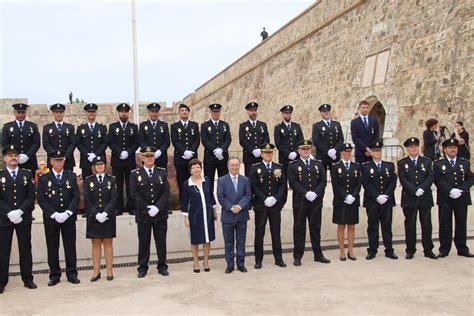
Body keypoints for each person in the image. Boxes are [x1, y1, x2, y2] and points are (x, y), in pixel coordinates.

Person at [37, 150, 81, 286]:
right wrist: (54, 214)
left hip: (68, 217)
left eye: (61, 160)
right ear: (51, 162)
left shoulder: (71, 176)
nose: (59, 162)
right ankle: (54, 274)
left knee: (70, 245)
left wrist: (68, 213)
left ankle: (72, 273)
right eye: (56, 160)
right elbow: (41, 199)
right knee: (52, 246)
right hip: (51, 218)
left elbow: (76, 196)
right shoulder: (44, 178)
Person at [0, 145, 37, 294]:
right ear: (4, 158)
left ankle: (27, 278)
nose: (13, 158)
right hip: (4, 218)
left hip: (23, 218)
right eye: (10, 155)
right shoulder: (0, 175)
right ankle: (2, 281)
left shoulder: (26, 175)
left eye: (15, 155)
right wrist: (9, 213)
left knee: (25, 249)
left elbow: (30, 196)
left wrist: (20, 211)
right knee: (3, 251)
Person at [287, 140, 330, 266]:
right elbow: (292, 182)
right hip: (300, 202)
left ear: (310, 150)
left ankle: (318, 254)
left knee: (315, 228)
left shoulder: (318, 164)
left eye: (308, 149)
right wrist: (306, 193)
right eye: (303, 149)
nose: (306, 151)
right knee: (299, 229)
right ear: (299, 151)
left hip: (315, 202)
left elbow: (323, 181)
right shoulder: (293, 165)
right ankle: (297, 256)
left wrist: (315, 193)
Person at [130, 147, 171, 278]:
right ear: (142, 158)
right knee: (143, 241)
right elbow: (134, 194)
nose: (149, 158)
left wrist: (157, 207)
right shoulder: (135, 174)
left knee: (161, 241)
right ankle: (142, 267)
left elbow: (166, 192)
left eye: (151, 156)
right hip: (143, 214)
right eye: (146, 156)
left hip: (160, 214)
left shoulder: (162, 173)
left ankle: (162, 266)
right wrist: (147, 208)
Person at [398, 137, 437, 259]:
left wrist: (422, 189)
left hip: (424, 197)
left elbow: (430, 176)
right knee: (410, 225)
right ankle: (410, 250)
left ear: (419, 147)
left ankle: (428, 250)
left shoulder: (427, 161)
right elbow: (403, 179)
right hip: (409, 198)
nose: (413, 149)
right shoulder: (402, 163)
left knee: (426, 224)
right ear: (407, 149)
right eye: (411, 147)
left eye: (415, 146)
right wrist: (414, 190)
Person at [249, 143, 287, 269]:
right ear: (261, 154)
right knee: (259, 233)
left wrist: (275, 198)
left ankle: (279, 259)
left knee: (276, 232)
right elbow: (253, 186)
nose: (268, 154)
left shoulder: (278, 167)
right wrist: (264, 198)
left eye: (270, 152)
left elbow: (282, 184)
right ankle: (258, 260)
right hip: (261, 205)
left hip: (275, 206)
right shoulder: (255, 168)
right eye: (265, 152)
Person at [434, 138, 473, 258]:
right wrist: (450, 190)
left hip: (461, 197)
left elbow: (470, 178)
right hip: (446, 198)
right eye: (450, 148)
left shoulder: (464, 163)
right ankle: (444, 249)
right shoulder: (438, 164)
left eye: (455, 147)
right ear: (445, 150)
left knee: (461, 223)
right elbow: (438, 179)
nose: (453, 149)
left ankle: (462, 249)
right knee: (445, 224)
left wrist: (461, 190)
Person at [361, 140, 398, 260]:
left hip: (387, 200)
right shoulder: (366, 166)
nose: (377, 153)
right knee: (372, 226)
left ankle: (389, 250)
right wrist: (377, 196)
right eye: (375, 151)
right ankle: (372, 250)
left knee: (387, 226)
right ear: (370, 152)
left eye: (379, 150)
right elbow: (366, 183)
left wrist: (386, 195)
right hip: (372, 201)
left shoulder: (389, 165)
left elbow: (393, 182)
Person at [84, 156, 118, 281]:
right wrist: (96, 213)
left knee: (108, 243)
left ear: (105, 166)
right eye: (97, 164)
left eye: (102, 164)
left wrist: (105, 213)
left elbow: (114, 198)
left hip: (107, 216)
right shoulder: (88, 180)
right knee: (96, 244)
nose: (99, 166)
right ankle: (96, 272)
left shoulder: (111, 180)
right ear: (93, 167)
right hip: (94, 217)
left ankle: (109, 272)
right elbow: (87, 199)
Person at [217, 157, 252, 274]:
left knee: (241, 241)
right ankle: (230, 264)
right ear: (228, 166)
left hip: (242, 215)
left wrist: (239, 207)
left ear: (240, 166)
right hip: (228, 216)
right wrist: (232, 207)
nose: (234, 167)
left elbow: (248, 195)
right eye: (232, 165)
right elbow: (220, 196)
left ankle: (241, 264)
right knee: (229, 242)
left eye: (236, 165)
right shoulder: (222, 180)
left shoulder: (245, 180)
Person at [181, 159, 216, 273]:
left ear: (201, 169)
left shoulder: (207, 180)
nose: (196, 169)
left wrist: (214, 211)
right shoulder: (187, 184)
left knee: (207, 238)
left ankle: (206, 261)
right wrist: (186, 218)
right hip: (195, 215)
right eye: (194, 167)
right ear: (190, 170)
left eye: (198, 167)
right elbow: (185, 202)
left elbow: (211, 196)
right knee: (195, 240)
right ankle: (195, 262)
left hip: (208, 213)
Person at [330, 143, 361, 261]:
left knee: (352, 225)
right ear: (341, 153)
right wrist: (345, 195)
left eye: (349, 152)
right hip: (340, 200)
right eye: (345, 152)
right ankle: (342, 251)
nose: (347, 154)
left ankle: (351, 251)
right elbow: (335, 184)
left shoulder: (356, 166)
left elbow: (358, 183)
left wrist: (353, 195)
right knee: (341, 225)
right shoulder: (335, 166)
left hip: (353, 200)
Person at [108, 103, 139, 215]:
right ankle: (118, 208)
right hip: (117, 160)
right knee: (117, 185)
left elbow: (136, 143)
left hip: (130, 160)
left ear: (128, 113)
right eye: (121, 111)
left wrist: (128, 152)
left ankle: (132, 207)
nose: (123, 113)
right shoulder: (112, 127)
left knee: (131, 185)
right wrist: (120, 152)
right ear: (118, 113)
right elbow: (110, 142)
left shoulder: (134, 127)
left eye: (125, 111)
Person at [200, 103, 232, 200]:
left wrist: (221, 149)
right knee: (209, 180)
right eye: (214, 111)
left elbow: (228, 139)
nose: (216, 113)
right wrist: (215, 150)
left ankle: (225, 199)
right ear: (210, 112)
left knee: (224, 181)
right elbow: (204, 140)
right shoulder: (205, 125)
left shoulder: (225, 125)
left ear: (220, 112)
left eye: (217, 111)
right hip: (210, 158)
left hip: (223, 157)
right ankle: (210, 201)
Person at [171, 103, 200, 204]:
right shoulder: (174, 126)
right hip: (180, 159)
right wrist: (184, 151)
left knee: (194, 180)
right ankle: (184, 203)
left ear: (188, 112)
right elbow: (174, 141)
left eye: (186, 110)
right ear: (179, 113)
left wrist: (190, 152)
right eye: (182, 110)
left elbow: (197, 140)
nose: (184, 112)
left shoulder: (194, 125)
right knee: (182, 182)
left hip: (192, 159)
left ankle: (194, 201)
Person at [2, 103, 40, 174]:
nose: (20, 114)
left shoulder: (32, 126)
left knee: (30, 183)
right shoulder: (7, 127)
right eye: (18, 112)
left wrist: (27, 155)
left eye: (23, 112)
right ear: (14, 112)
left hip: (30, 161)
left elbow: (36, 143)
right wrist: (14, 156)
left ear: (26, 112)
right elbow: (5, 144)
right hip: (13, 161)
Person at [76, 103, 108, 179]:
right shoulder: (81, 128)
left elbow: (105, 142)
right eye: (89, 112)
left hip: (99, 160)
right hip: (85, 160)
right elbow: (78, 143)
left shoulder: (102, 128)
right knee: (86, 183)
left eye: (93, 112)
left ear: (96, 113)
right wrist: (87, 155)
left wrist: (95, 154)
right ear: (86, 113)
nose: (91, 113)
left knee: (101, 183)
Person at [239, 102, 270, 176]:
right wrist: (252, 150)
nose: (253, 112)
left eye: (255, 110)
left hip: (261, 157)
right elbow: (242, 140)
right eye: (251, 110)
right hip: (249, 157)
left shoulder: (263, 125)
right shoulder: (243, 126)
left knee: (262, 178)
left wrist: (260, 149)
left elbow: (267, 138)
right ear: (247, 112)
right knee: (249, 179)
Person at [43, 103, 76, 171]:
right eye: (56, 112)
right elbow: (46, 144)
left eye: (61, 112)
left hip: (67, 161)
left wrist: (65, 157)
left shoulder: (70, 127)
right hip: (52, 161)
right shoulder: (47, 128)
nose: (59, 114)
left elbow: (72, 143)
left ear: (63, 113)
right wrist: (55, 156)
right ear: (53, 113)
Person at [138, 102, 170, 169]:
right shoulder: (143, 125)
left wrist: (160, 151)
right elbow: (141, 141)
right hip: (147, 158)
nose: (154, 113)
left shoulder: (164, 125)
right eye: (152, 111)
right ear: (149, 112)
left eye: (156, 111)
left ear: (158, 112)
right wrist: (149, 151)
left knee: (161, 178)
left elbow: (167, 142)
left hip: (161, 157)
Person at [312, 104, 344, 170]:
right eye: (324, 111)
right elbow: (316, 141)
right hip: (322, 156)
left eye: (328, 111)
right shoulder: (317, 126)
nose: (326, 113)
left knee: (336, 178)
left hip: (335, 156)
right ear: (321, 113)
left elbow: (341, 139)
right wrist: (328, 151)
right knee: (322, 178)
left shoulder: (337, 124)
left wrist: (335, 150)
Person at [274, 105, 304, 175]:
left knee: (296, 178)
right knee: (284, 179)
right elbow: (278, 143)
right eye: (286, 113)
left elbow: (301, 141)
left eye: (289, 113)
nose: (288, 115)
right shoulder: (278, 127)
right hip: (284, 158)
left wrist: (295, 152)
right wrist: (288, 154)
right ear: (282, 114)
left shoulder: (296, 126)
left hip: (296, 158)